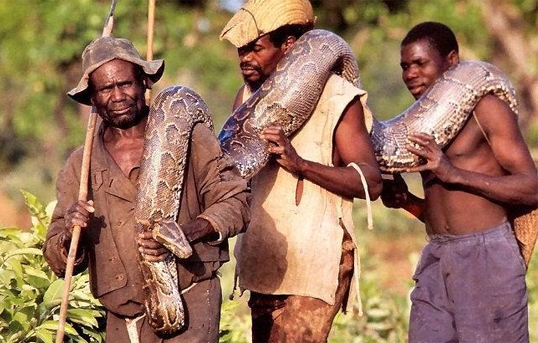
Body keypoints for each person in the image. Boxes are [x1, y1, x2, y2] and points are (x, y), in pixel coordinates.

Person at [42, 36, 250, 343]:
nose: (118, 96)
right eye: (106, 89)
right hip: (123, 319)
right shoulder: (80, 164)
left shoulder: (191, 137)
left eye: (125, 84)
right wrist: (71, 234)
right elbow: (57, 258)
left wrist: (187, 232)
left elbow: (236, 201)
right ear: (93, 99)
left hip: (191, 297)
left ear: (143, 83)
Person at [219, 1, 383, 342]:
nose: (244, 58)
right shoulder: (246, 97)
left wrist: (301, 165)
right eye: (241, 49)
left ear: (289, 46)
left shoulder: (338, 97)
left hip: (315, 263)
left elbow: (372, 180)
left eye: (256, 48)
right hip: (265, 261)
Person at [381, 21, 538, 343]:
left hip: (487, 256)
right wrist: (408, 201)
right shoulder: (422, 125)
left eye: (420, 63)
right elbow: (448, 210)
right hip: (438, 256)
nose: (410, 73)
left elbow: (532, 187)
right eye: (405, 66)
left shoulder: (487, 109)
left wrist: (454, 173)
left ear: (451, 61)